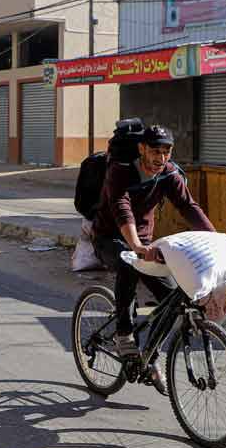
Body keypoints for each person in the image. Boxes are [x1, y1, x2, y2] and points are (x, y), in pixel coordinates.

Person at [91, 125, 215, 393]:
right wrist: (135, 245)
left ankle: (150, 356)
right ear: (142, 149)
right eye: (155, 151)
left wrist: (215, 238)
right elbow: (121, 208)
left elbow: (187, 206)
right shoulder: (121, 170)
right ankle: (124, 333)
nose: (161, 157)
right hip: (108, 238)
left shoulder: (168, 174)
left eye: (166, 151)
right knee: (128, 264)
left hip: (144, 242)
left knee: (172, 295)